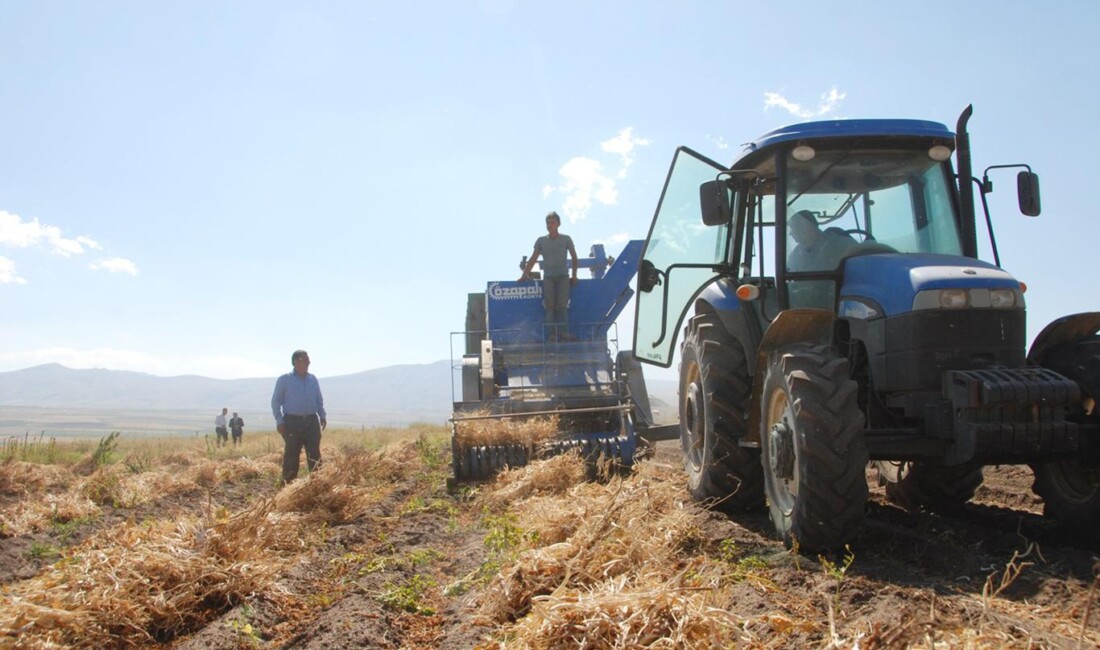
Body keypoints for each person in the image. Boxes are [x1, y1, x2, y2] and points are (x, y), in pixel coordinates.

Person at [518, 211, 579, 341]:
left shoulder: (566, 239)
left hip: (563, 277)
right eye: (547, 223)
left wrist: (574, 276)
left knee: (562, 306)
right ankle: (551, 334)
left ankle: (564, 333)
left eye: (552, 223)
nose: (549, 225)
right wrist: (524, 276)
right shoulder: (541, 241)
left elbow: (574, 258)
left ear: (558, 224)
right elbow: (533, 259)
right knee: (550, 306)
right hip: (548, 278)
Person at [271, 349, 327, 485]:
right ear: (296, 362)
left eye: (308, 360)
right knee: (292, 453)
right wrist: (279, 421)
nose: (309, 362)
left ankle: (318, 483)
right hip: (292, 421)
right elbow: (276, 401)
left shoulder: (312, 379)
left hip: (311, 421)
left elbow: (319, 399)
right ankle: (287, 485)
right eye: (306, 359)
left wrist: (322, 415)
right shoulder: (285, 379)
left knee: (314, 453)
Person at [787, 210, 857, 272]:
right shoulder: (796, 254)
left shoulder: (841, 245)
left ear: (807, 227)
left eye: (794, 228)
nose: (790, 233)